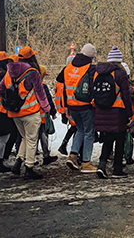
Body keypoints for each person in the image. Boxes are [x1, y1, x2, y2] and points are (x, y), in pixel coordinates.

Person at [0, 46, 50, 180]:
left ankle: (18, 162)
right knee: (32, 139)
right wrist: (47, 108)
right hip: (30, 112)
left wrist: (11, 100)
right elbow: (40, 93)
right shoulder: (32, 72)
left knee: (25, 137)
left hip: (15, 113)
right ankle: (29, 168)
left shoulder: (8, 72)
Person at [57, 44, 98, 173]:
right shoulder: (91, 68)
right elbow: (93, 87)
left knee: (80, 130)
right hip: (86, 106)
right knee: (89, 133)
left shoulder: (68, 68)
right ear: (92, 56)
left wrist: (65, 107)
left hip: (72, 106)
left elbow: (62, 87)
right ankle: (86, 162)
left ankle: (73, 155)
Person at [94, 46, 132, 178]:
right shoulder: (120, 74)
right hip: (118, 111)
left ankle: (102, 165)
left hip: (102, 110)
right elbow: (126, 95)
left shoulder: (98, 72)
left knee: (108, 139)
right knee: (120, 140)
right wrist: (129, 113)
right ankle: (117, 168)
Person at [38, 65, 58, 165]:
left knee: (31, 138)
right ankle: (46, 155)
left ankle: (29, 156)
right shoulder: (43, 86)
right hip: (42, 116)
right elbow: (48, 100)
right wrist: (53, 112)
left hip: (30, 114)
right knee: (43, 135)